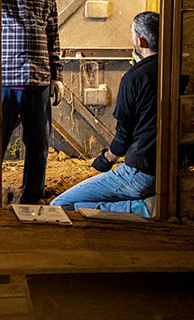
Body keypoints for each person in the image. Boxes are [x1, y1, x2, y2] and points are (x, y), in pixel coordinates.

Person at [49, 11, 160, 217]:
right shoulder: (178, 71)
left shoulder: (135, 77)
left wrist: (107, 159)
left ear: (141, 40)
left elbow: (123, 135)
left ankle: (143, 208)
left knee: (59, 205)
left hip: (141, 172)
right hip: (172, 170)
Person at [0, 0, 63, 205]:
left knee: (39, 146)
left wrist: (57, 76)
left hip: (38, 82)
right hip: (1, 81)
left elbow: (52, 33)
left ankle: (31, 199)